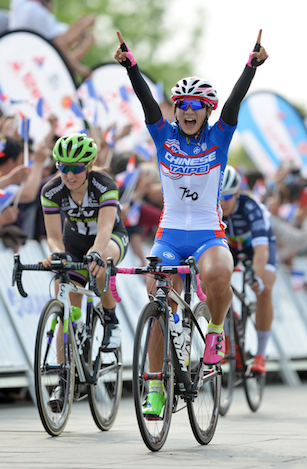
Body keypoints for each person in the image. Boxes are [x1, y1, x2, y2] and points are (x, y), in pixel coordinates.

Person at [114, 29, 268, 417]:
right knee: (158, 299)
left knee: (218, 273)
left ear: (207, 111)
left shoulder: (219, 137)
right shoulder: (162, 135)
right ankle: (154, 387)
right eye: (182, 103)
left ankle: (215, 331)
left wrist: (251, 67)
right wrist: (131, 66)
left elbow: (235, 102)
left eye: (196, 104)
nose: (188, 110)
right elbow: (146, 100)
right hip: (168, 235)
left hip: (207, 233)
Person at [39, 134, 128, 407]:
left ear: (89, 166)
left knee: (101, 263)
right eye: (63, 167)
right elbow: (54, 236)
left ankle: (110, 317)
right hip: (74, 243)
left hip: (110, 239)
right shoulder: (51, 190)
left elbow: (105, 228)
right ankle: (63, 381)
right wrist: (56, 253)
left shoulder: (105, 185)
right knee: (64, 305)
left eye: (76, 168)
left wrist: (96, 252)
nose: (69, 174)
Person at [219, 165, 277, 375]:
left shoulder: (251, 208)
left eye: (228, 197)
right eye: (219, 197)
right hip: (231, 247)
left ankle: (261, 354)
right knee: (213, 281)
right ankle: (228, 322)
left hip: (257, 248)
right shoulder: (212, 208)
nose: (223, 202)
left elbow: (262, 251)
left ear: (237, 193)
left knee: (264, 290)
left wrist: (257, 277)